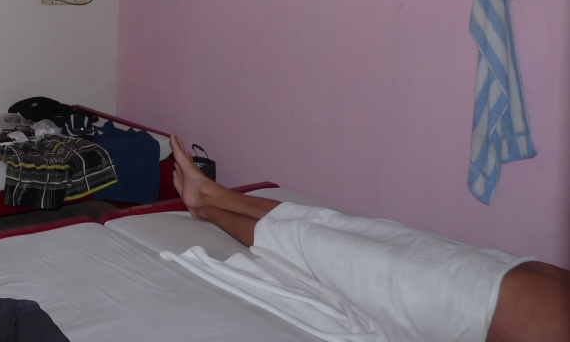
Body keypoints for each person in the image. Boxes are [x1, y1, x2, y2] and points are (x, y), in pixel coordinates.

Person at [168, 133, 570, 342]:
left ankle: (209, 207)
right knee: (351, 229)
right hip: (497, 273)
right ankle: (213, 197)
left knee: (331, 252)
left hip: (474, 307)